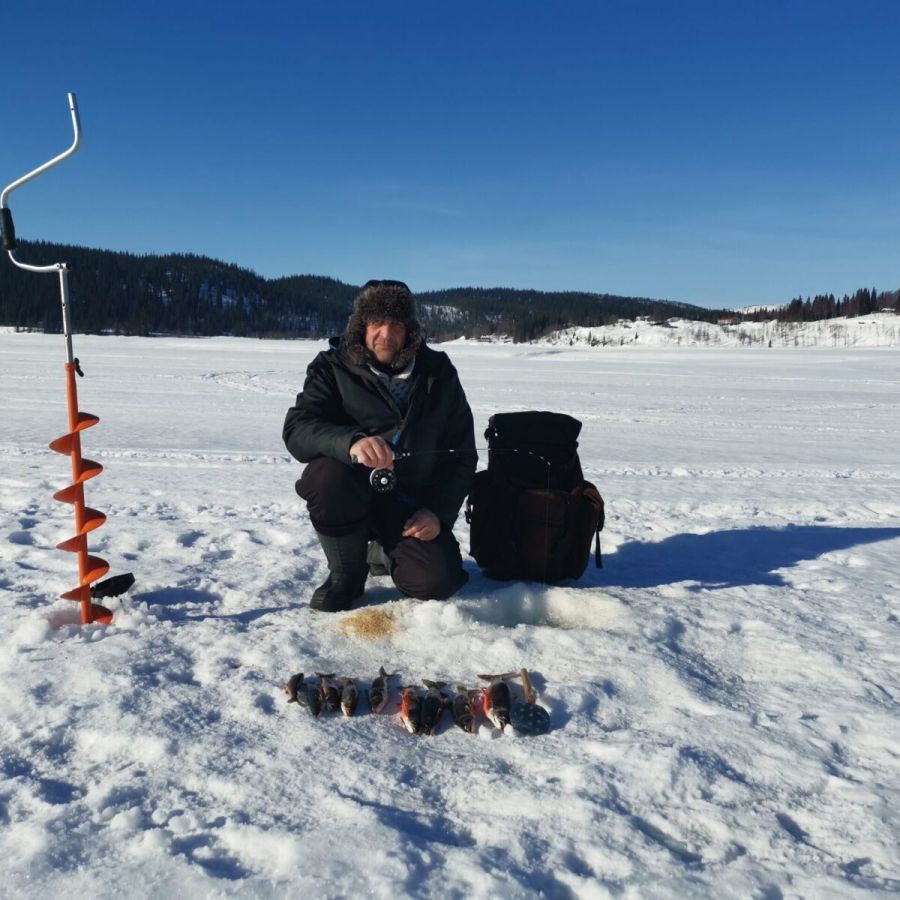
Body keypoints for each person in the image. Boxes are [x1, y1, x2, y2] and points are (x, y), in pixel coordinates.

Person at [283, 279, 476, 612]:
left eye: (396, 324)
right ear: (361, 326)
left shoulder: (439, 372)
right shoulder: (331, 368)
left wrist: (438, 512)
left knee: (435, 582)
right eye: (376, 323)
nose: (386, 334)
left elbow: (461, 456)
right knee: (325, 476)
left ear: (409, 330)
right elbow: (298, 429)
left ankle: (384, 552)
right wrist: (351, 442)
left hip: (410, 502)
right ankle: (347, 575)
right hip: (351, 492)